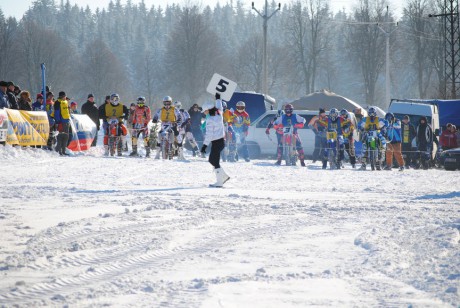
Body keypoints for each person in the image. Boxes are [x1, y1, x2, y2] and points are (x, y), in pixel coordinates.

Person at [200, 93, 230, 187]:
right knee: (212, 160)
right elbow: (219, 106)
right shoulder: (219, 113)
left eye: (204, 111)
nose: (204, 113)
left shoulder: (210, 120)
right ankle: (223, 177)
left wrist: (204, 145)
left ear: (208, 110)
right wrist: (218, 98)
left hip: (216, 142)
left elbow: (209, 134)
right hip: (221, 141)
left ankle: (220, 181)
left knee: (214, 161)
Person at [358, 106, 386, 170]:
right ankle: (364, 164)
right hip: (368, 135)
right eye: (370, 113)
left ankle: (380, 162)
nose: (372, 115)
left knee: (383, 145)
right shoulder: (365, 119)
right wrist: (361, 128)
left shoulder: (379, 119)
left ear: (375, 113)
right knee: (364, 148)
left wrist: (384, 127)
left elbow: (385, 123)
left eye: (373, 113)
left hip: (377, 135)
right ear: (368, 113)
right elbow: (359, 124)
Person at [53, 91, 71, 155]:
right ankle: (58, 151)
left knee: (66, 137)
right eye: (64, 96)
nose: (65, 97)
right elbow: (57, 113)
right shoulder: (57, 102)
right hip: (61, 122)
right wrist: (58, 122)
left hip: (66, 121)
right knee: (60, 137)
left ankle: (63, 150)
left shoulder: (66, 102)